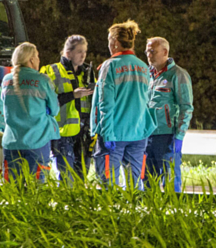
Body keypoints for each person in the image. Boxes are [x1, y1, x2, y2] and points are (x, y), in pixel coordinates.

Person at [90, 20, 155, 189]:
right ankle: (134, 214)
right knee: (134, 184)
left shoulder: (110, 66)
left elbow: (105, 103)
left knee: (108, 184)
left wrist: (106, 133)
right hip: (138, 133)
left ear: (116, 43)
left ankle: (110, 214)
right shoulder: (143, 66)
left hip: (115, 133)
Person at [1, 42, 60, 182]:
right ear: (31, 59)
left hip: (11, 142)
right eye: (37, 56)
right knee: (36, 191)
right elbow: (55, 110)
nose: (39, 60)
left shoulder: (6, 80)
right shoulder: (41, 80)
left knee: (13, 192)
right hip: (37, 141)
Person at [41, 35, 95, 182]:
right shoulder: (51, 71)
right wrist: (72, 95)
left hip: (84, 133)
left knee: (82, 177)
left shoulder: (87, 74)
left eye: (85, 51)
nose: (83, 55)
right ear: (68, 52)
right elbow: (44, 102)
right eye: (79, 51)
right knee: (67, 178)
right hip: (63, 133)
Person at [144, 37, 194, 192]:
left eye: (153, 51)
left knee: (170, 180)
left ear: (165, 52)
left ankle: (172, 213)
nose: (149, 55)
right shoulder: (147, 75)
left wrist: (179, 136)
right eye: (147, 51)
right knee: (146, 180)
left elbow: (186, 107)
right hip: (146, 135)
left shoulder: (178, 75)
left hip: (167, 136)